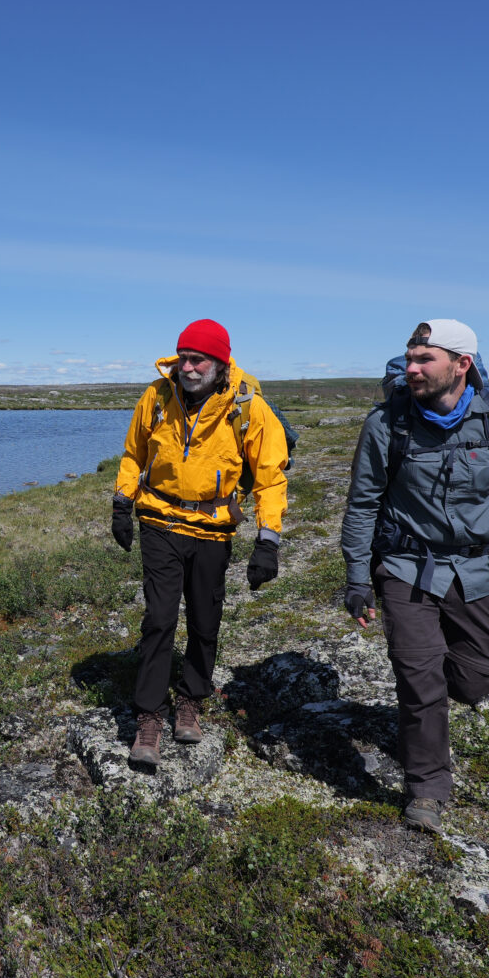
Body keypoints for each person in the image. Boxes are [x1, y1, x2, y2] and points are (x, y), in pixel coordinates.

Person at [340, 319, 489, 833]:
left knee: (476, 679)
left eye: (425, 360)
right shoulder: (385, 424)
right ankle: (427, 789)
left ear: (462, 365)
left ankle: (429, 719)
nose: (412, 369)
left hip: (481, 571)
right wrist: (355, 578)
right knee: (420, 681)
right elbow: (362, 504)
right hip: (405, 569)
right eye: (409, 359)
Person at [111, 319, 289, 767]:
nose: (188, 368)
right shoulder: (156, 396)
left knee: (206, 619)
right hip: (160, 522)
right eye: (183, 358)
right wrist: (121, 503)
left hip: (213, 529)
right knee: (159, 618)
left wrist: (268, 540)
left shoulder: (248, 407)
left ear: (220, 363)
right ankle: (149, 715)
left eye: (198, 360)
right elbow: (134, 453)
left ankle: (191, 698)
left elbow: (270, 476)